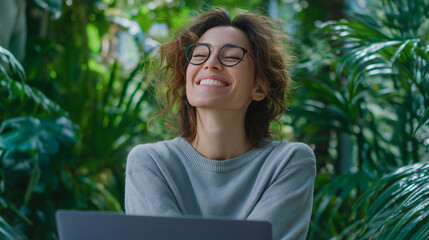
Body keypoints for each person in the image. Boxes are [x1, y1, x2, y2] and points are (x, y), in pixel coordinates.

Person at [125, 8, 316, 240]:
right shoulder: (150, 162)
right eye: (199, 54)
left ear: (259, 87)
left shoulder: (289, 162)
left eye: (231, 56)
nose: (211, 63)